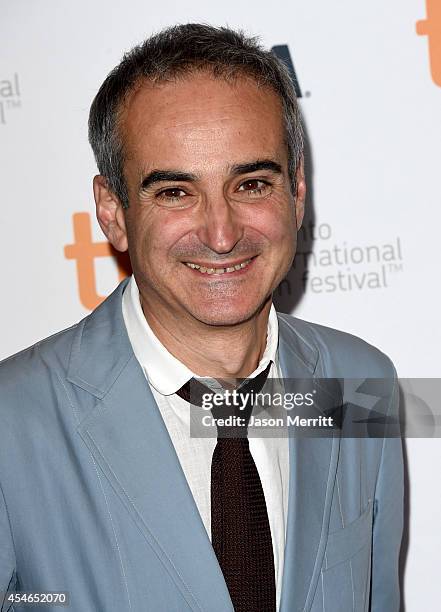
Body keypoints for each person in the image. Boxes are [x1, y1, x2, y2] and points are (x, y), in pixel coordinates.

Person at [0, 23, 403, 612]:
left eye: (252, 183)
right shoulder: (12, 423)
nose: (222, 234)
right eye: (174, 193)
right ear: (112, 211)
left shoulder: (363, 385)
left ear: (296, 192)